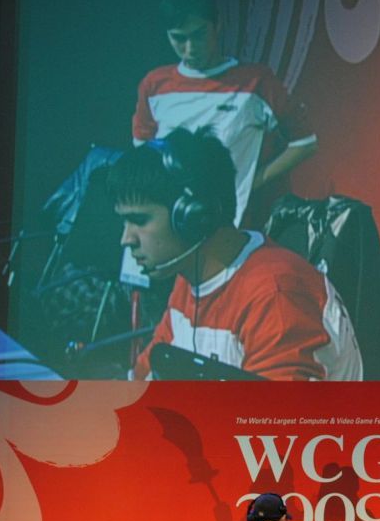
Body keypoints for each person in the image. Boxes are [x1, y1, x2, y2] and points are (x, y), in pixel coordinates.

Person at [108, 127, 362, 381]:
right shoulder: (190, 276)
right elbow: (145, 376)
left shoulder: (274, 295)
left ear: (193, 217)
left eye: (139, 220)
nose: (126, 239)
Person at [133, 0, 318, 229]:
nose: (190, 49)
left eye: (199, 35)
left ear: (217, 25)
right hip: (173, 223)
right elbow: (143, 153)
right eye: (179, 38)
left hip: (232, 224)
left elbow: (306, 143)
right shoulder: (154, 85)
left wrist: (254, 180)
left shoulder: (256, 82)